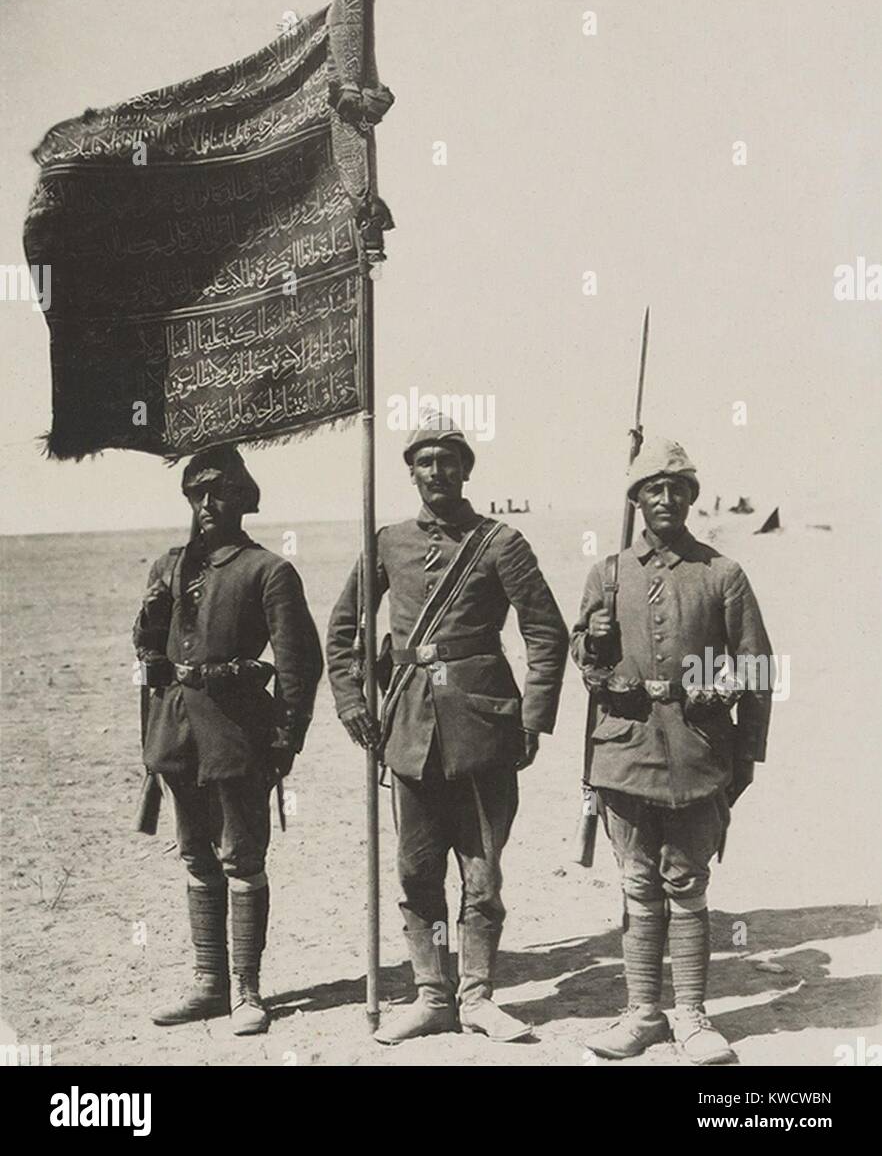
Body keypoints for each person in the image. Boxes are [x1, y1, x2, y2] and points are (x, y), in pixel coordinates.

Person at [326, 413, 568, 1044]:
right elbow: (345, 627)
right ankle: (432, 995)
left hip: (485, 730)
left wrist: (534, 718)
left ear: (466, 469)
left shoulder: (500, 543)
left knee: (482, 871)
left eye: (449, 460)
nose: (438, 471)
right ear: (411, 472)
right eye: (425, 461)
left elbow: (546, 631)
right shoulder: (388, 542)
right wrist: (352, 699)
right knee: (415, 870)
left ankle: (480, 995)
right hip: (406, 731)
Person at [570, 438, 773, 1065]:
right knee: (637, 882)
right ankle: (642, 1013)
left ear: (692, 496)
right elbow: (586, 661)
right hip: (624, 754)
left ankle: (691, 1015)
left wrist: (742, 754)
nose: (666, 498)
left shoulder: (722, 573)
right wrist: (594, 642)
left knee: (686, 883)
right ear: (636, 498)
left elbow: (757, 668)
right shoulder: (607, 573)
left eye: (677, 487)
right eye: (652, 488)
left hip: (696, 753)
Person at [133, 444, 323, 1036]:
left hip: (238, 736)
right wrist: (148, 622)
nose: (208, 503)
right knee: (196, 857)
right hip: (176, 734)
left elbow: (299, 664)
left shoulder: (268, 570)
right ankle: (208, 983)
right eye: (196, 493)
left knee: (241, 858)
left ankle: (247, 990)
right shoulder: (168, 567)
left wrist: (286, 739)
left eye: (220, 492)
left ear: (244, 499)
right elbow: (146, 654)